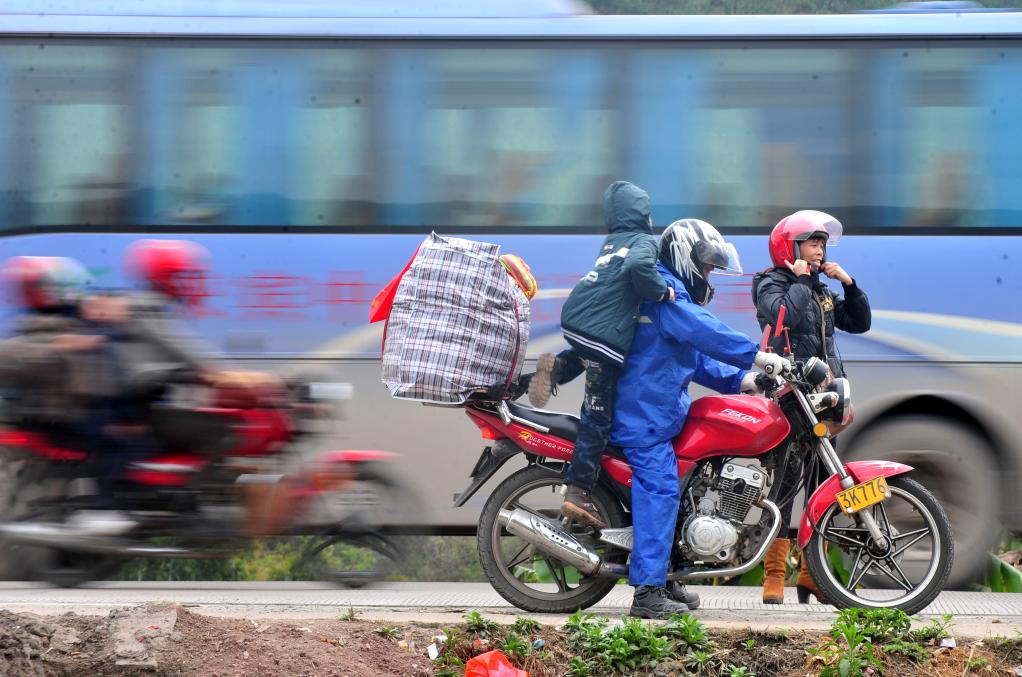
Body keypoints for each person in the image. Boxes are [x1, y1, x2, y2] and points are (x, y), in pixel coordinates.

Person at [611, 218, 790, 619]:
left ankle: (667, 574)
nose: (708, 276)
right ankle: (647, 594)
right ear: (685, 259)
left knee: (689, 483)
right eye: (707, 268)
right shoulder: (664, 292)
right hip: (642, 416)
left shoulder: (669, 291)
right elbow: (703, 331)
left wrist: (743, 380)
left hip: (660, 412)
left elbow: (694, 358)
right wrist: (756, 356)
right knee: (661, 489)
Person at [751, 209, 872, 604]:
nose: (820, 250)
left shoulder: (821, 290)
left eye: (822, 244)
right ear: (790, 247)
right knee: (786, 484)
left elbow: (860, 322)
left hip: (823, 393)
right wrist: (802, 280)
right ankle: (773, 576)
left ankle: (810, 574)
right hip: (790, 396)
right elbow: (782, 315)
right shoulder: (770, 282)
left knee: (823, 485)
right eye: (812, 243)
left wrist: (849, 285)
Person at [555, 181, 674, 530]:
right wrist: (662, 292)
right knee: (596, 418)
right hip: (601, 337)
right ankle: (578, 490)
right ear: (642, 215)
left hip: (579, 323)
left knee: (588, 354)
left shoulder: (611, 242)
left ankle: (552, 370)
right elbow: (638, 267)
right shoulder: (644, 242)